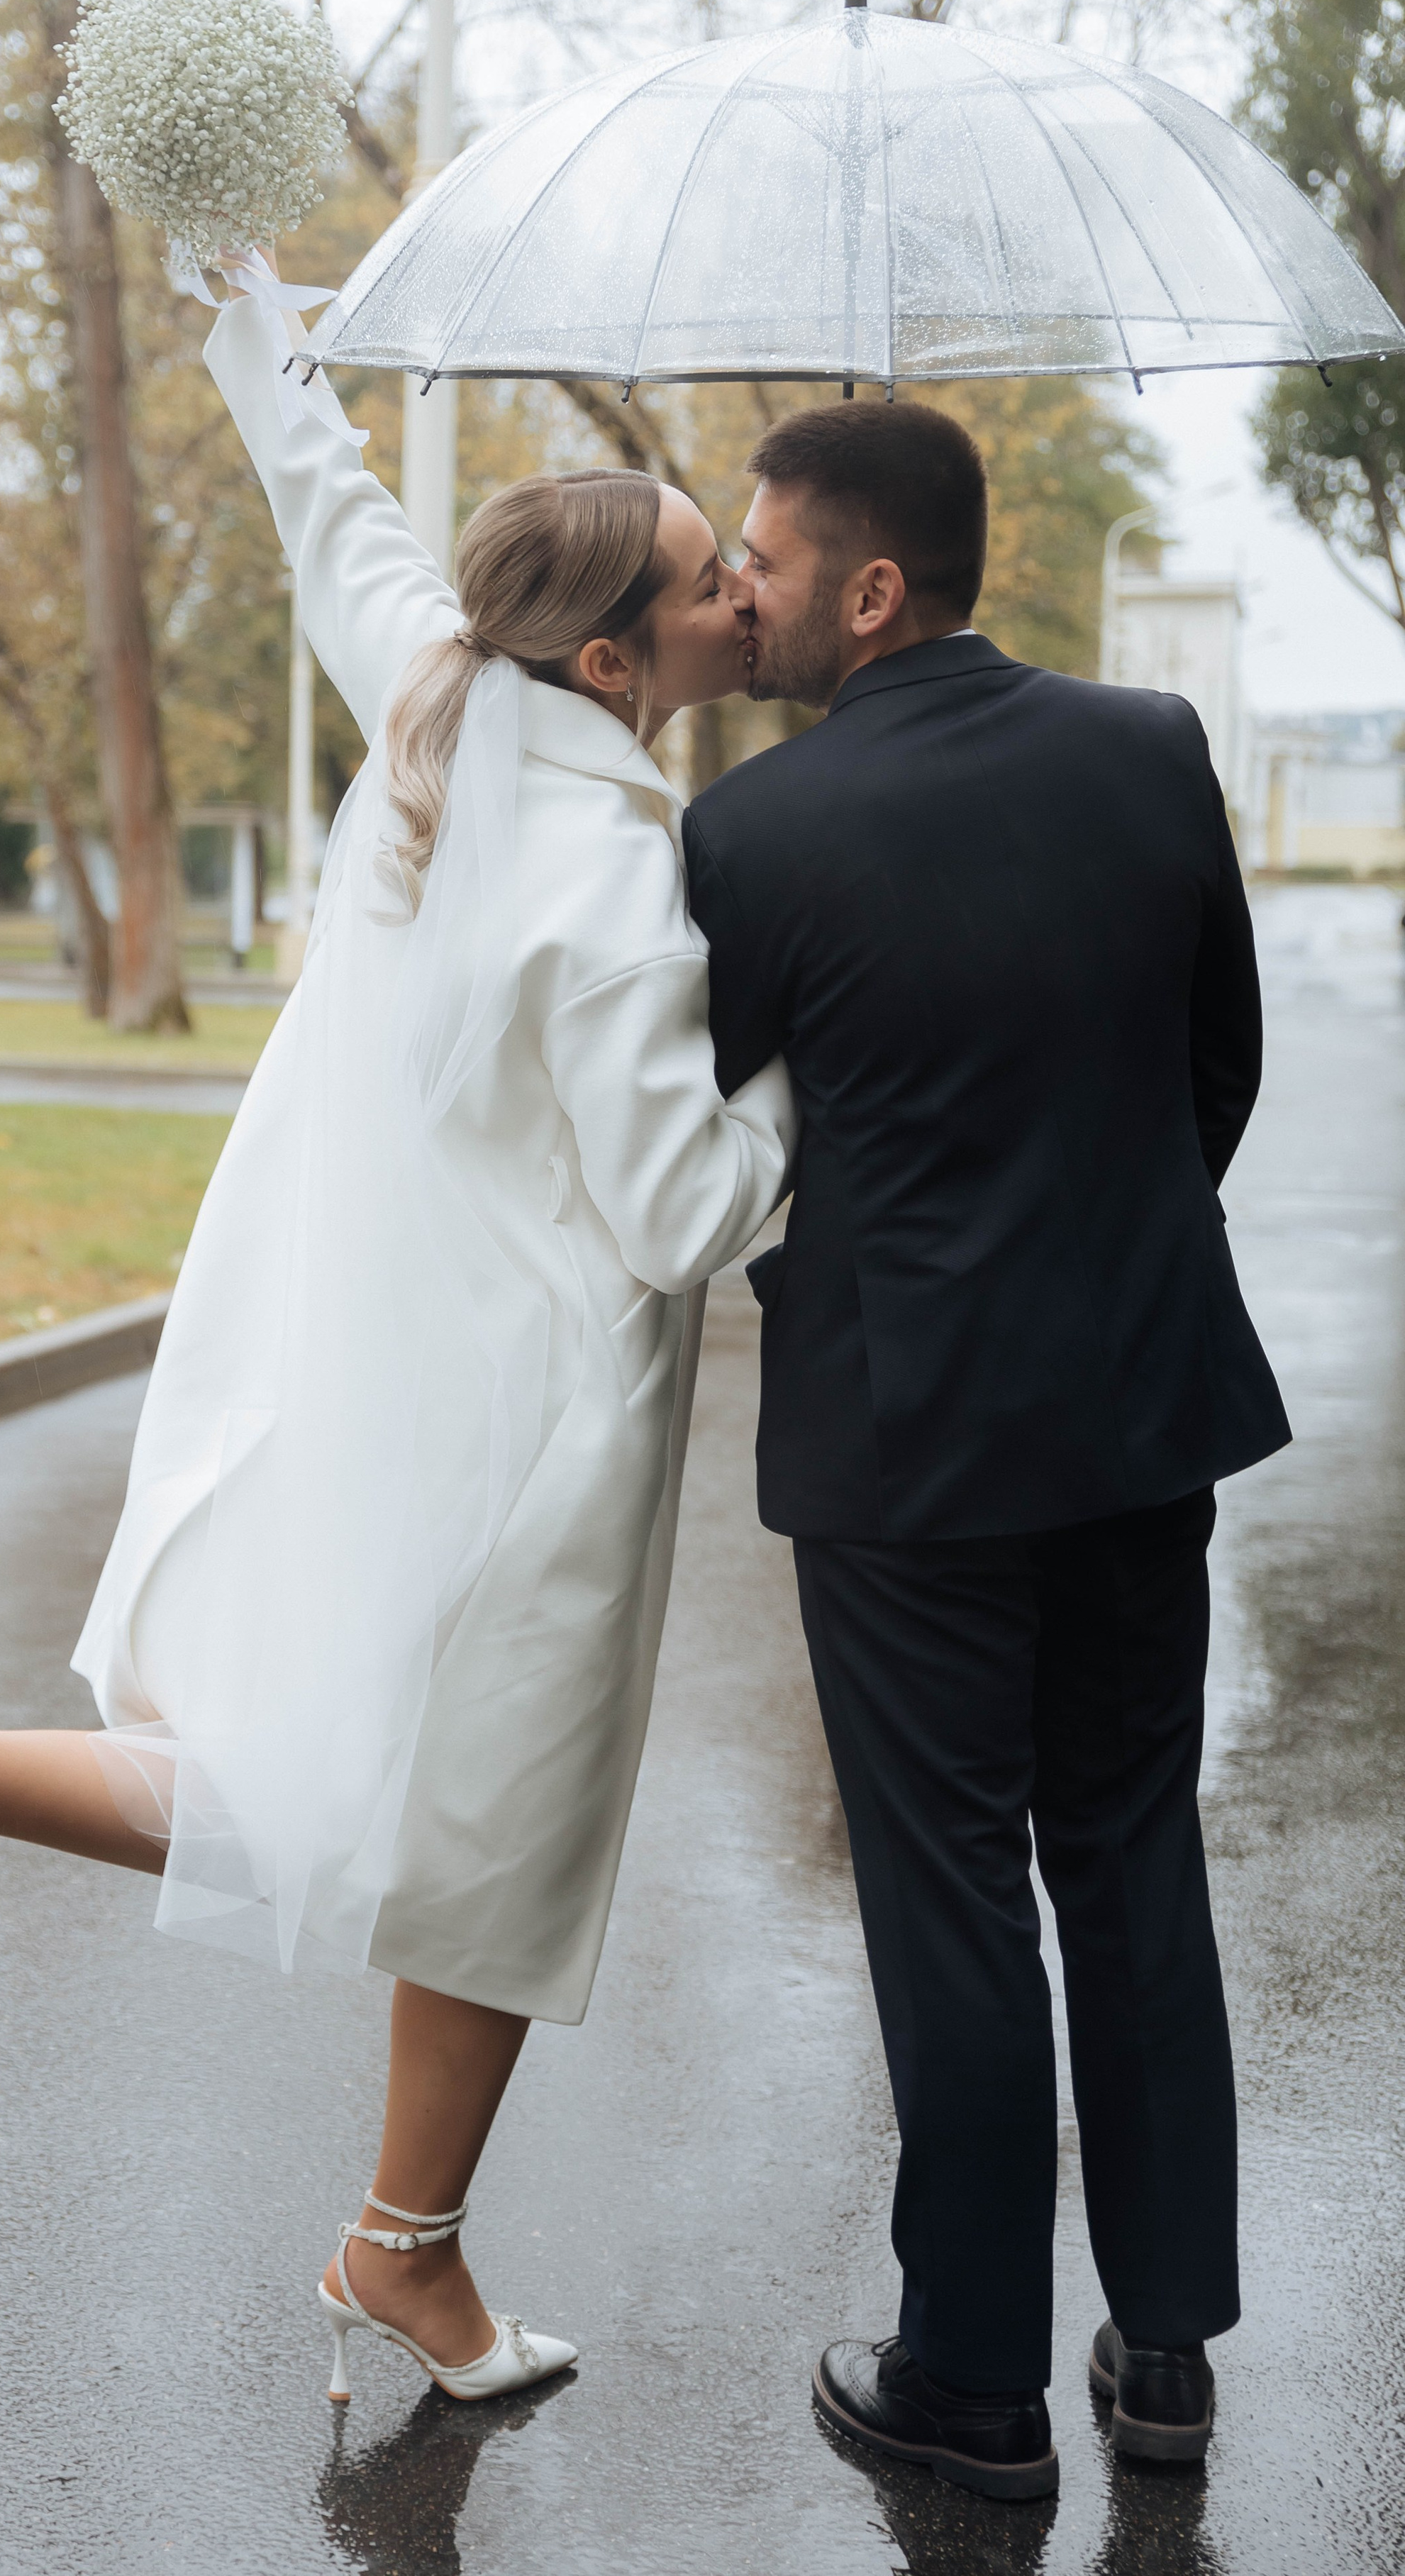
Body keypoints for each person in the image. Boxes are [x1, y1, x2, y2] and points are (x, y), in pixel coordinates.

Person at [0, 277, 794, 2410]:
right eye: (711, 576)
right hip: (535, 1439)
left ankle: (396, 2243)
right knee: (472, 1843)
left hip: (386, 1383)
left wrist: (246, 302)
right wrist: (807, 1082)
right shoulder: (612, 878)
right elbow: (686, 1213)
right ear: (616, 662)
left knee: (371, 1809)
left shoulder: (438, 687)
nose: (747, 591)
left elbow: (325, 502)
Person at [682, 398, 1289, 2503]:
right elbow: (1219, 1064)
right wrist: (1104, 1256)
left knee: (948, 1892)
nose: (738, 587)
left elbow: (717, 1130)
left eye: (764, 556)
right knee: (1129, 1850)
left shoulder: (752, 833)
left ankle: (967, 2382)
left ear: (870, 589)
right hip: (1136, 1407)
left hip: (904, 1439)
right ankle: (1168, 2349)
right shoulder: (1150, 749)